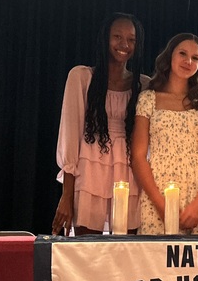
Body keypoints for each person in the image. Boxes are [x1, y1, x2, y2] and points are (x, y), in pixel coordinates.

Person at [52, 13, 149, 235]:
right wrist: (66, 196)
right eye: (117, 36)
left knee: (127, 253)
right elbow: (70, 135)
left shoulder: (144, 85)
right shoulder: (81, 77)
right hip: (90, 172)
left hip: (129, 174)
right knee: (87, 251)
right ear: (105, 38)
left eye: (131, 39)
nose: (124, 44)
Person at [131, 33, 198, 235]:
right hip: (158, 196)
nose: (188, 61)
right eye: (183, 53)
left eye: (195, 58)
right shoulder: (148, 99)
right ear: (170, 56)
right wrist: (162, 206)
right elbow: (138, 156)